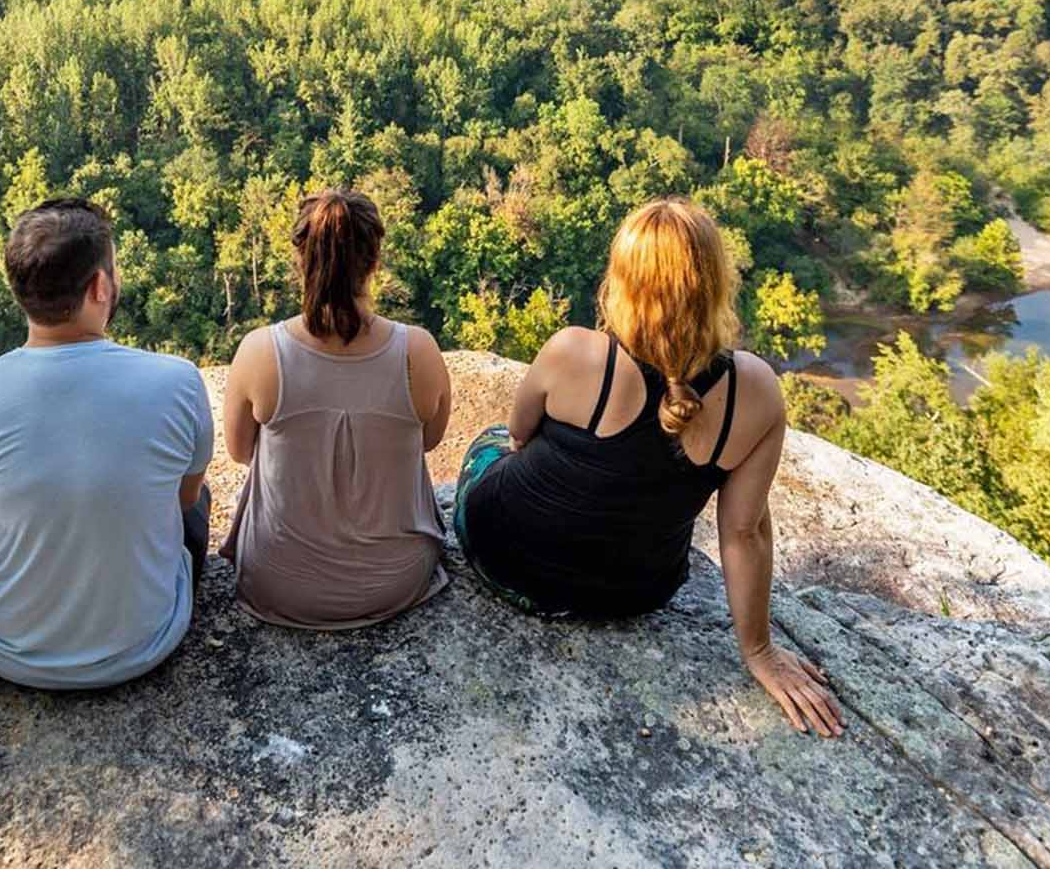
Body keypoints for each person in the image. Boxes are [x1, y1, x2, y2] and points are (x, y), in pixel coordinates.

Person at [453, 198, 845, 738]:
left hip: (502, 559)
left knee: (490, 440)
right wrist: (759, 651)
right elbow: (743, 530)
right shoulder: (756, 392)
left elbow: (519, 435)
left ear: (623, 281)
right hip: (632, 594)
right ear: (714, 284)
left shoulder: (573, 350)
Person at [0, 198, 213, 690]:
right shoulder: (178, 381)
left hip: (6, 651)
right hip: (148, 644)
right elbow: (184, 501)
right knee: (195, 498)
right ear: (100, 286)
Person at [219, 189, 453, 629]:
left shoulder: (261, 351)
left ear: (301, 260)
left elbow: (238, 450)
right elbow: (430, 439)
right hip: (396, 580)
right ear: (374, 261)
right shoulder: (417, 351)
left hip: (278, 583)